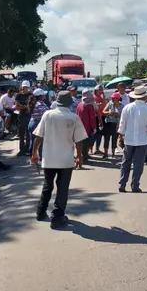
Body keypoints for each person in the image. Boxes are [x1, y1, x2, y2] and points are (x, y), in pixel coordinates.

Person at [31, 91, 87, 229]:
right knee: (62, 188)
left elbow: (38, 136)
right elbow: (79, 141)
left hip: (49, 158)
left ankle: (40, 211)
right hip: (66, 160)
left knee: (47, 185)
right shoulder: (73, 118)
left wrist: (34, 153)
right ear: (69, 103)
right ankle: (57, 217)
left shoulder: (47, 115)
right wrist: (79, 157)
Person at [118, 86, 147, 192]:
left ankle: (122, 184)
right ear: (146, 96)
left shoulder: (127, 108)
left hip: (129, 139)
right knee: (138, 164)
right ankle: (135, 185)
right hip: (142, 140)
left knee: (126, 162)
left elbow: (122, 125)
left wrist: (120, 136)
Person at [76, 89, 97, 166]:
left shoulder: (79, 104)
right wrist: (94, 128)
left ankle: (83, 156)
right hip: (87, 128)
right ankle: (85, 158)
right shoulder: (89, 106)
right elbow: (92, 118)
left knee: (82, 143)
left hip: (79, 126)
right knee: (86, 143)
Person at [28, 88, 49, 157]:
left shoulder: (36, 103)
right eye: (43, 94)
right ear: (40, 96)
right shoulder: (40, 104)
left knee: (33, 141)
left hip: (33, 123)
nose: (45, 95)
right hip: (37, 124)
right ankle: (40, 158)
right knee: (40, 142)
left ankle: (32, 156)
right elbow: (44, 114)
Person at [102, 92, 123, 159]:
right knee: (106, 138)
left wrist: (118, 114)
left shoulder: (122, 106)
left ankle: (113, 154)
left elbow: (124, 115)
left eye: (114, 98)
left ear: (118, 99)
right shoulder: (110, 104)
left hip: (116, 124)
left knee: (114, 138)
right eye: (112, 98)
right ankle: (106, 154)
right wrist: (109, 113)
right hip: (108, 123)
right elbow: (103, 111)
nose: (112, 99)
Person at [15, 80, 34, 156]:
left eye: (26, 87)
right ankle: (21, 150)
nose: (24, 89)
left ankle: (27, 149)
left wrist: (22, 106)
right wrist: (25, 106)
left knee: (28, 134)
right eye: (23, 87)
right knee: (21, 134)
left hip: (29, 116)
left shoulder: (31, 96)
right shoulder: (18, 96)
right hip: (21, 117)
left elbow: (30, 107)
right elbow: (17, 107)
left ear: (28, 87)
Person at [93, 85, 107, 156]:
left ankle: (97, 148)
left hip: (101, 116)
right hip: (96, 117)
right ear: (96, 90)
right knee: (94, 134)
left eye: (102, 90)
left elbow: (104, 105)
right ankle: (90, 149)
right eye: (100, 90)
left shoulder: (101, 97)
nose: (101, 91)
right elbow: (98, 107)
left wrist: (104, 97)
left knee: (100, 134)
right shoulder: (93, 97)